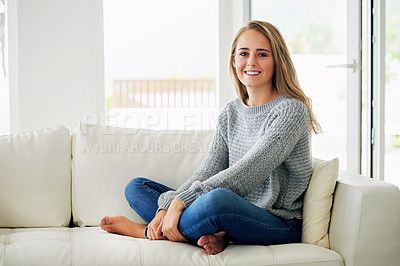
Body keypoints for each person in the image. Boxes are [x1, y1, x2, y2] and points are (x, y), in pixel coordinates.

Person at [100, 20, 321, 255]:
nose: (251, 62)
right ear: (234, 60)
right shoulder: (230, 112)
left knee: (217, 200)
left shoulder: (291, 110)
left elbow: (249, 170)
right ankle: (215, 233)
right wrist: (169, 205)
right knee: (137, 187)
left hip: (276, 222)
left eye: (262, 54)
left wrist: (179, 203)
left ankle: (145, 232)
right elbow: (209, 169)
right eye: (243, 53)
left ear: (277, 61)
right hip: (229, 216)